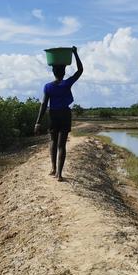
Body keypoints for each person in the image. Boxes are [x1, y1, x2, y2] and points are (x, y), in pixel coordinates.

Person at [34, 46, 83, 181]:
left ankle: (53, 168)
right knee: (62, 145)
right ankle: (59, 174)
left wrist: (38, 121)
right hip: (65, 114)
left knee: (53, 141)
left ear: (53, 71)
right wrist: (75, 54)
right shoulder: (67, 83)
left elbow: (44, 104)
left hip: (53, 115)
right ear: (64, 71)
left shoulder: (48, 86)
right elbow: (80, 70)